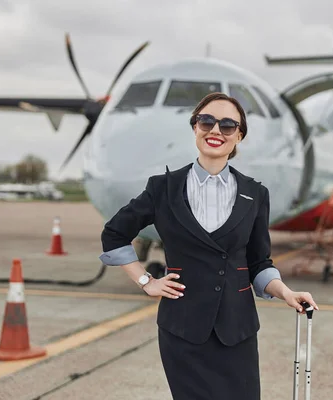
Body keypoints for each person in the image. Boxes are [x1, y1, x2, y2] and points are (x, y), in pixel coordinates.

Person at [99, 92, 318, 400]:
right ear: (195, 128)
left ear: (239, 135)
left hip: (237, 330)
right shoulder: (163, 189)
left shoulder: (255, 194)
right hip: (182, 330)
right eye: (207, 121)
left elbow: (258, 263)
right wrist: (145, 281)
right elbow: (114, 234)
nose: (216, 130)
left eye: (228, 125)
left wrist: (286, 292)